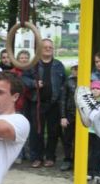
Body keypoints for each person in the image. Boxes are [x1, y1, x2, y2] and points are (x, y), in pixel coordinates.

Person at [21, 38, 66, 168]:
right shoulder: (33, 64)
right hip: (37, 103)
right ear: (40, 49)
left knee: (53, 132)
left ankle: (50, 157)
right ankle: (37, 157)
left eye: (50, 47)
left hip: (54, 104)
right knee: (36, 131)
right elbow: (24, 78)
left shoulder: (58, 65)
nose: (48, 49)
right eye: (45, 47)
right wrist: (33, 84)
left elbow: (63, 84)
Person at [59, 60, 78, 172]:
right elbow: (63, 100)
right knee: (67, 138)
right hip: (70, 114)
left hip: (82, 115)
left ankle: (77, 160)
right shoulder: (68, 82)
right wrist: (63, 116)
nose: (77, 71)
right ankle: (67, 159)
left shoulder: (88, 81)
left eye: (79, 68)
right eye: (75, 69)